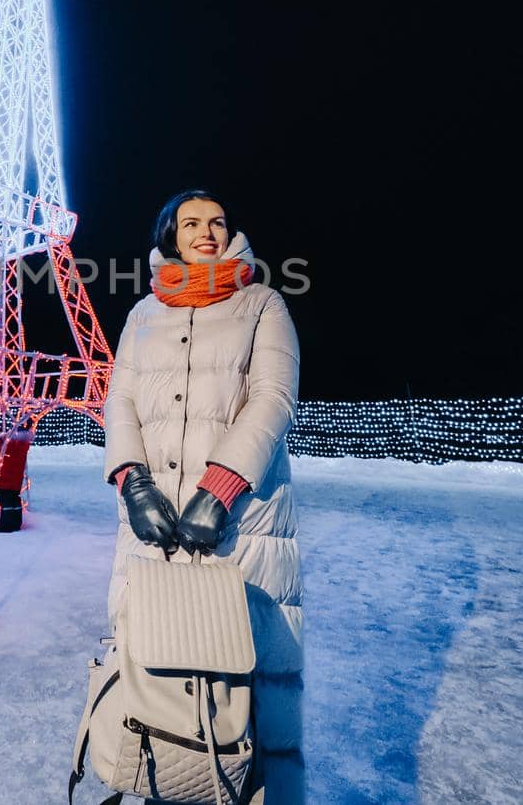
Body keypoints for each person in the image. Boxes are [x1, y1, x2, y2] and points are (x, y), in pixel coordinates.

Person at [103, 189, 304, 803]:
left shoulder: (262, 303)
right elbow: (121, 400)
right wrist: (131, 480)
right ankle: (161, 780)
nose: (207, 232)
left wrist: (221, 488)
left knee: (244, 677)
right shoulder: (142, 314)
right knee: (154, 667)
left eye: (217, 222)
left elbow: (273, 398)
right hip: (153, 520)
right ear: (170, 236)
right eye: (191, 223)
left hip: (241, 522)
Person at [0, 422, 33, 533]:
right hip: (16, 480)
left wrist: (1, 438)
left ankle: (6, 525)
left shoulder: (10, 444)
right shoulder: (23, 445)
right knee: (14, 501)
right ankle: (16, 523)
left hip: (5, 478)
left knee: (6, 503)